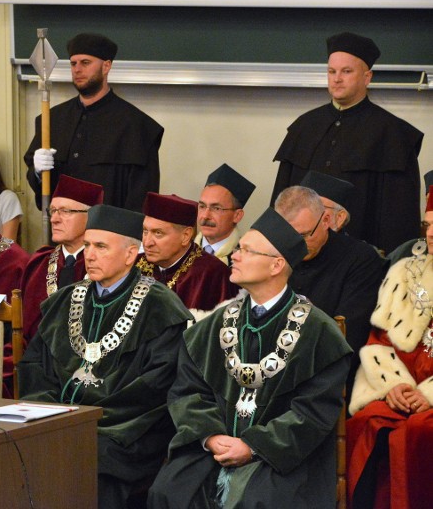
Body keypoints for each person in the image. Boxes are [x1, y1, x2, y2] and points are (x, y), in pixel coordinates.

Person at [148, 208, 352, 508]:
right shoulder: (212, 326)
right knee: (169, 491)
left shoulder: (318, 332)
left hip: (282, 457)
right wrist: (210, 436)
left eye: (246, 250)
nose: (235, 256)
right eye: (238, 249)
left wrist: (253, 446)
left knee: (260, 500)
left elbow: (312, 412)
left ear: (276, 265)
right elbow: (188, 392)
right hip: (213, 449)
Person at [18, 204, 191, 509]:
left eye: (100, 246)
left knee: (93, 460)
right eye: (86, 245)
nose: (89, 255)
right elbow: (35, 365)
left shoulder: (160, 307)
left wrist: (86, 421)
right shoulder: (65, 300)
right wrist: (50, 412)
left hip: (125, 433)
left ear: (130, 254)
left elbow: (155, 387)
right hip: (56, 422)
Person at [271, 31, 424, 254]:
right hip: (300, 257)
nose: (337, 78)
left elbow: (399, 220)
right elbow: (281, 201)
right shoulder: (304, 126)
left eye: (347, 71)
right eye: (331, 71)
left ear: (367, 77)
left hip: (360, 261)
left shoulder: (393, 134)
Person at [346, 195, 433, 509]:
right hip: (403, 387)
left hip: (429, 396)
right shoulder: (404, 273)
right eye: (428, 225)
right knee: (368, 421)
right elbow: (378, 341)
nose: (431, 233)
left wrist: (428, 394)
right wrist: (394, 384)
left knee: (420, 432)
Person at [23, 32, 164, 211]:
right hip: (61, 232)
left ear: (106, 66)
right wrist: (37, 173)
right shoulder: (52, 120)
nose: (77, 69)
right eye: (73, 63)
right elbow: (42, 191)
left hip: (109, 234)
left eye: (85, 63)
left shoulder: (137, 126)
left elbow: (142, 199)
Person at [275, 185, 387, 394]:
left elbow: (348, 336)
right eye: (289, 235)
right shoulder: (272, 251)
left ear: (325, 221)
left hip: (322, 374)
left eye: (305, 235)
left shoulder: (360, 258)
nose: (297, 244)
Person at [20, 175, 104, 342]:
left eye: (65, 211)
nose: (54, 219)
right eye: (52, 210)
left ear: (90, 216)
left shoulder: (106, 266)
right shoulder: (38, 264)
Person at [139, 192, 239, 316]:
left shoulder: (214, 275)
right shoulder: (134, 264)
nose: (147, 242)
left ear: (186, 236)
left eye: (158, 233)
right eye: (145, 231)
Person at [195, 163, 256, 266]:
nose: (205, 216)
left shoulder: (246, 260)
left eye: (216, 208)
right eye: (202, 206)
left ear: (237, 216)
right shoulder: (182, 251)